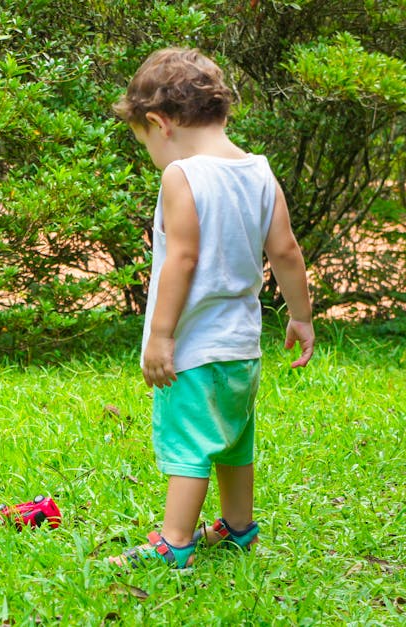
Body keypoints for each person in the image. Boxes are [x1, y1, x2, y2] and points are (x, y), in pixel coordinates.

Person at [107, 48, 315, 569]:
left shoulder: (183, 175)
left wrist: (160, 336)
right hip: (242, 346)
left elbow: (182, 257)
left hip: (195, 348)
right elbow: (286, 250)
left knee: (189, 446)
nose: (151, 153)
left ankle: (175, 542)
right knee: (234, 439)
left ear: (159, 123)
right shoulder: (260, 171)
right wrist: (301, 315)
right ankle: (240, 527)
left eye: (145, 142)